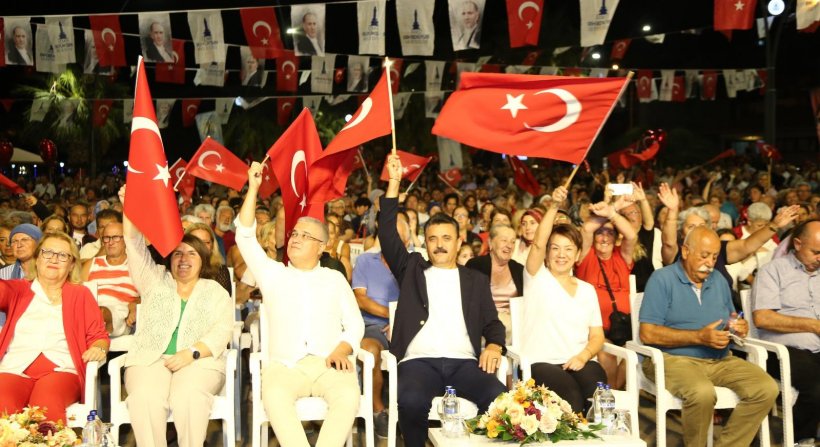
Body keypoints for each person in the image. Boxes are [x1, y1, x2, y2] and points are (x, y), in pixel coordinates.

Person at [379, 154, 506, 447]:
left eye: (447, 238)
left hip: (465, 363)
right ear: (425, 242)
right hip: (418, 363)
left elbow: (492, 322)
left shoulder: (475, 280)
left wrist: (494, 345)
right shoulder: (411, 269)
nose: (439, 245)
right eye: (433, 238)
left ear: (459, 242)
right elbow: (387, 233)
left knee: (501, 399)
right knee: (411, 401)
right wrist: (394, 183)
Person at [236, 162, 364, 447]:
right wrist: (253, 188)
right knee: (274, 396)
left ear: (321, 247)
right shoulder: (272, 273)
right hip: (285, 365)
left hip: (328, 362)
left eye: (306, 236)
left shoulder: (334, 279)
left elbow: (355, 324)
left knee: (348, 395)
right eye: (295, 233)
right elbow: (243, 236)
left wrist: (342, 349)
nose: (296, 239)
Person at [640, 226, 778, 447]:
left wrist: (737, 326)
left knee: (766, 388)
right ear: (686, 251)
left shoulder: (719, 280)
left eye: (714, 257)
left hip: (719, 359)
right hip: (672, 359)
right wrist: (698, 337)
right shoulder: (662, 279)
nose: (710, 263)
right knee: (702, 393)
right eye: (704, 255)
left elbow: (730, 317)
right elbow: (647, 333)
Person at [119, 186, 234, 447]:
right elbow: (134, 244)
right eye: (178, 253)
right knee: (144, 398)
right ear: (170, 259)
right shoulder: (154, 280)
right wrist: (129, 206)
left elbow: (223, 330)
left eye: (192, 253)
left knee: (189, 397)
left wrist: (191, 352)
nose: (183, 259)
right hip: (150, 359)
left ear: (203, 261)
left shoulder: (214, 290)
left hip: (198, 362)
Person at [0, 232, 109, 422]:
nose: (54, 259)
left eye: (63, 255)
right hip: (15, 367)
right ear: (37, 259)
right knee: (2, 402)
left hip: (62, 370)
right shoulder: (18, 290)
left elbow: (98, 336)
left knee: (45, 403)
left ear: (72, 264)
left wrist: (99, 348)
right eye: (47, 252)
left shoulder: (80, 294)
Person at [522, 186, 606, 413]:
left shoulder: (587, 290)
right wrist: (554, 206)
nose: (561, 254)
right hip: (542, 363)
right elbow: (538, 243)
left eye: (569, 249)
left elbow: (597, 336)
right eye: (555, 248)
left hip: (579, 360)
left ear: (577, 254)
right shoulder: (536, 278)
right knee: (571, 402)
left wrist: (584, 356)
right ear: (547, 253)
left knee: (598, 396)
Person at [751, 219, 820, 445]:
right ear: (798, 244)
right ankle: (801, 438)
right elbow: (763, 318)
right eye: (816, 252)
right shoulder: (773, 271)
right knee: (816, 385)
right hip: (783, 349)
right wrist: (813, 325)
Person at [351, 215, 409, 438]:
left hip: (408, 327)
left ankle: (412, 410)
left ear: (406, 241)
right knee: (369, 350)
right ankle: (377, 410)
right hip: (374, 325)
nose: (392, 241)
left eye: (398, 237)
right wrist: (391, 315)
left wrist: (400, 321)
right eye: (388, 235)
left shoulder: (413, 264)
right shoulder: (366, 261)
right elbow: (361, 299)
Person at [575, 196, 637, 388]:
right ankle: (614, 397)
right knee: (607, 355)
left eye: (609, 233)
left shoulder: (621, 256)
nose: (604, 238)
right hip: (597, 331)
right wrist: (614, 208)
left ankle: (614, 395)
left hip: (625, 328)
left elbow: (631, 236)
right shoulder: (587, 256)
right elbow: (586, 229)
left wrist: (612, 213)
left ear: (616, 238)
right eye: (600, 233)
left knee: (632, 357)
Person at [466, 223, 523, 346]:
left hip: (514, 329)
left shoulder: (519, 269)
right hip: (483, 326)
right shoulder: (475, 265)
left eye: (513, 242)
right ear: (491, 243)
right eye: (504, 240)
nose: (509, 245)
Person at [82, 222, 139, 337]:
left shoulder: (137, 266)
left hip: (119, 312)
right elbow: (78, 292)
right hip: (90, 307)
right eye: (107, 238)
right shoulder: (91, 264)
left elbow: (149, 295)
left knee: (102, 312)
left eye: (116, 237)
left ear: (126, 240)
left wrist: (136, 304)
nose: (110, 242)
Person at [185, 223, 232, 295]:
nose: (200, 246)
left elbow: (223, 300)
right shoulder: (177, 268)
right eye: (196, 241)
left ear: (212, 246)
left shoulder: (220, 271)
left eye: (206, 242)